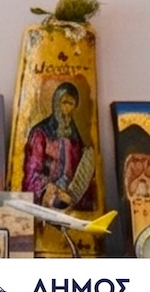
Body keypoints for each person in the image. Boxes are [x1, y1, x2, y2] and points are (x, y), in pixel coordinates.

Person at [21, 81, 97, 210]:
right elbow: (31, 174)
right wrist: (49, 188)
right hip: (47, 199)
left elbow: (81, 175)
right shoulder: (41, 133)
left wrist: (73, 196)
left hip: (69, 200)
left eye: (71, 104)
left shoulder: (74, 136)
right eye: (64, 103)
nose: (67, 109)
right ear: (56, 103)